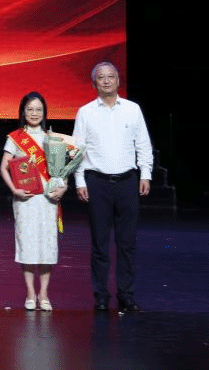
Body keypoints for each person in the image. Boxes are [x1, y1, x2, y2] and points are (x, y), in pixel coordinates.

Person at [72, 61, 153, 314]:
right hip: (97, 182)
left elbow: (143, 144)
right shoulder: (85, 112)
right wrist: (80, 180)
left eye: (110, 77)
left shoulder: (132, 109)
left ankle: (126, 295)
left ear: (118, 81)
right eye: (101, 77)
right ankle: (101, 296)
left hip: (127, 181)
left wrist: (146, 174)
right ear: (94, 83)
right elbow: (78, 149)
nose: (106, 81)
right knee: (100, 243)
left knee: (127, 243)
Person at [0, 91, 63, 312]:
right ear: (23, 112)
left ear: (44, 112)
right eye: (30, 109)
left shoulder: (52, 138)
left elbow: (61, 170)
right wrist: (14, 189)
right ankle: (29, 293)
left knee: (46, 246)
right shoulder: (15, 138)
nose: (34, 113)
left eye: (38, 109)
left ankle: (43, 294)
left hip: (48, 198)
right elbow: (3, 167)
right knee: (27, 245)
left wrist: (63, 187)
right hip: (25, 199)